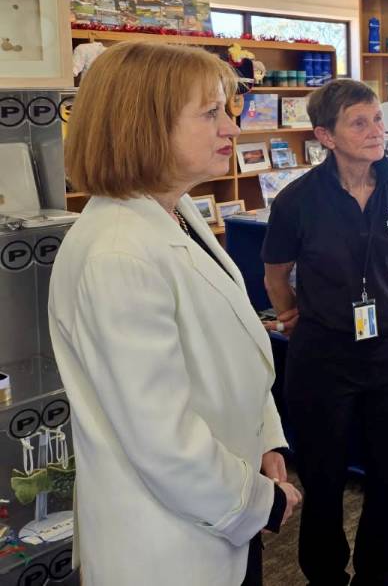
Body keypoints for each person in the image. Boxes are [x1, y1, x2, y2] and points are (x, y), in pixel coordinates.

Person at [48, 41, 301, 586]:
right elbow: (162, 439)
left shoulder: (176, 210)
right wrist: (260, 502)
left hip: (216, 516)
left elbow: (231, 348)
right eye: (210, 114)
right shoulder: (118, 253)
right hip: (168, 546)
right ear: (143, 126)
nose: (231, 128)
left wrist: (264, 436)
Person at [261, 79, 388, 586]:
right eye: (359, 123)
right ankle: (326, 576)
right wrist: (291, 314)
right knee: (324, 479)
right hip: (323, 356)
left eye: (378, 120)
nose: (376, 131)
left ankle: (378, 575)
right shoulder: (297, 201)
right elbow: (276, 274)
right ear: (325, 136)